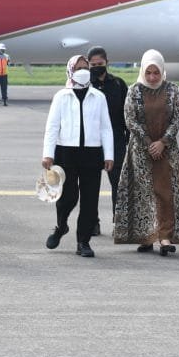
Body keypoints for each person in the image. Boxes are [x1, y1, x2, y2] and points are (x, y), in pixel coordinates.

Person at [113, 49, 179, 256]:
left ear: (162, 71)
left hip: (167, 150)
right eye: (149, 73)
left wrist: (163, 142)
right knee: (143, 193)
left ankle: (164, 237)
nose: (153, 77)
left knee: (166, 192)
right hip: (140, 150)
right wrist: (149, 143)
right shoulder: (134, 91)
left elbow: (177, 118)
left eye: (156, 73)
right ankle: (146, 237)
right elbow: (130, 120)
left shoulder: (172, 90)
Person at [42, 55, 114, 257]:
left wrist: (109, 155)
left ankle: (83, 241)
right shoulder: (61, 96)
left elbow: (106, 128)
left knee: (90, 200)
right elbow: (52, 127)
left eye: (86, 67)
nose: (83, 70)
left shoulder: (98, 97)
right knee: (68, 197)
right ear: (70, 70)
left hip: (92, 153)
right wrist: (48, 154)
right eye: (79, 67)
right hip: (66, 152)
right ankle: (60, 225)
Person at [86, 46, 128, 235]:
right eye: (93, 65)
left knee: (118, 185)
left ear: (107, 63)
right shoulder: (84, 85)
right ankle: (92, 222)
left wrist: (128, 136)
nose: (97, 68)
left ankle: (117, 222)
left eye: (100, 64)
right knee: (90, 186)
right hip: (92, 143)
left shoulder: (119, 84)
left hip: (116, 141)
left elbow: (127, 113)